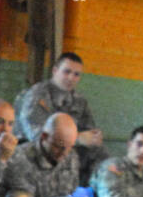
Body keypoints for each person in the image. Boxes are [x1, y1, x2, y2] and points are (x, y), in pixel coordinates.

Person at [12, 52, 106, 181]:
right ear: (55, 71)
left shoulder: (79, 101)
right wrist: (77, 139)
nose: (71, 78)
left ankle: (105, 193)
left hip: (63, 154)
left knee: (101, 157)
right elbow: (37, 137)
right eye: (67, 72)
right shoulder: (37, 95)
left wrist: (94, 138)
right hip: (32, 155)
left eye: (76, 74)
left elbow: (89, 131)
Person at [4, 112, 80, 197]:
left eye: (70, 147)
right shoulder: (19, 158)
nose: (65, 153)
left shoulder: (72, 158)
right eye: (59, 147)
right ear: (44, 136)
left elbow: (71, 194)